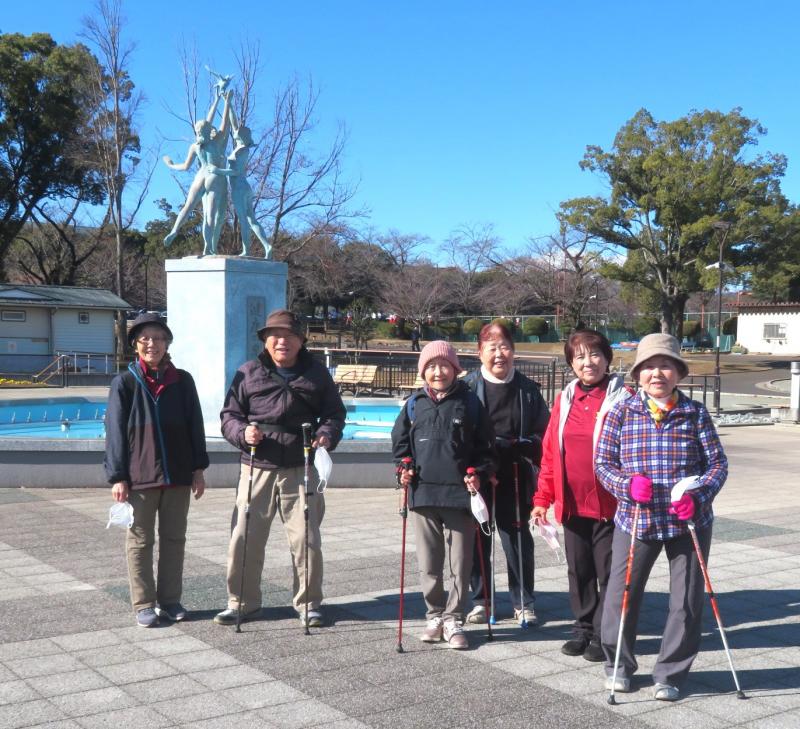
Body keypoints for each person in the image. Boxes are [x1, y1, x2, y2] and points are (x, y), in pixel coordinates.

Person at [595, 333, 728, 701]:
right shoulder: (621, 411)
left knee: (685, 600)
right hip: (636, 520)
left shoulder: (695, 412)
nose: (658, 373)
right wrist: (625, 485)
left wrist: (699, 496)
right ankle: (618, 666)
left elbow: (717, 465)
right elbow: (603, 464)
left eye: (666, 365)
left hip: (687, 522)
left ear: (679, 372)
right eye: (650, 366)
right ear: (638, 373)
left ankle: (670, 673)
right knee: (622, 594)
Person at [215, 309, 346, 627]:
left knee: (306, 539)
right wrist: (243, 433)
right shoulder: (247, 372)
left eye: (288, 335)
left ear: (301, 340)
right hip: (255, 465)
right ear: (265, 341)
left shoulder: (317, 374)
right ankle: (242, 602)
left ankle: (308, 603)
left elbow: (334, 414)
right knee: (244, 536)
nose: (281, 341)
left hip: (301, 466)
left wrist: (326, 434)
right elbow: (229, 417)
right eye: (274, 335)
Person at [532, 330, 632, 661]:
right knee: (579, 571)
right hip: (572, 504)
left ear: (607, 358)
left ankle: (605, 633)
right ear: (571, 364)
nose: (588, 363)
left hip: (609, 505)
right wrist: (542, 500)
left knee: (609, 573)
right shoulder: (565, 400)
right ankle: (583, 628)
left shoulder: (625, 399)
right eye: (579, 357)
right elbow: (549, 454)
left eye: (594, 355)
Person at [104, 313, 209, 628]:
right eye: (146, 338)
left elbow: (195, 426)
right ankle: (144, 604)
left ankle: (170, 600)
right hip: (140, 477)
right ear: (136, 344)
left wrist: (198, 468)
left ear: (167, 343)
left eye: (159, 338)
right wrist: (118, 475)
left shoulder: (183, 380)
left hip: (177, 475)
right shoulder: (124, 382)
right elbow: (115, 433)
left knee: (175, 539)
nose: (153, 344)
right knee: (140, 541)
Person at [392, 341, 496, 649]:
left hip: (459, 497)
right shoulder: (413, 404)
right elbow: (400, 448)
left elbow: (487, 450)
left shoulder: (470, 404)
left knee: (460, 563)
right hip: (423, 495)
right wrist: (402, 471)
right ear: (424, 371)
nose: (438, 372)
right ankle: (434, 615)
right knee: (429, 562)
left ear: (455, 369)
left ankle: (454, 619)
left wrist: (478, 471)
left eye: (444, 366)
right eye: (431, 366)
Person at [462, 323, 549, 625]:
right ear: (479, 353)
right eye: (491, 347)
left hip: (514, 472)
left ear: (513, 350)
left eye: (505, 347)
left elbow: (544, 432)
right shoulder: (468, 387)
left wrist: (527, 445)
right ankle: (480, 600)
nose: (499, 355)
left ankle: (523, 600)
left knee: (517, 538)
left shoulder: (527, 389)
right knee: (478, 536)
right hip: (479, 474)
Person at [163, 86, 232, 256]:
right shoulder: (216, 143)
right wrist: (227, 102)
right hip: (213, 176)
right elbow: (224, 122)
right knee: (209, 216)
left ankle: (174, 229)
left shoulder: (195, 146)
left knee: (187, 206)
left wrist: (171, 165)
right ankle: (208, 248)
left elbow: (185, 166)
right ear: (210, 131)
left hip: (200, 175)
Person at [206, 102, 273, 259]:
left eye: (239, 132)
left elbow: (236, 171)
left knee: (244, 219)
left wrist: (218, 171)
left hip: (239, 187)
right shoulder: (239, 146)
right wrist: (228, 104)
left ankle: (246, 250)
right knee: (251, 219)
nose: (236, 131)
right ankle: (267, 246)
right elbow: (234, 123)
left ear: (242, 137)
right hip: (245, 187)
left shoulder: (242, 150)